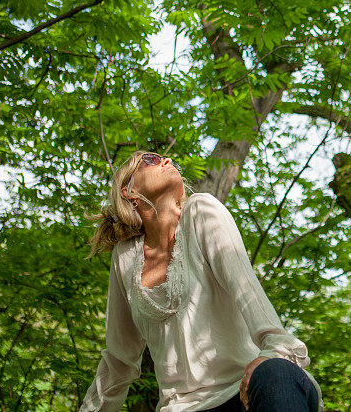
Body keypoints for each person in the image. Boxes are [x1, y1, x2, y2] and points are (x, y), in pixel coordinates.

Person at [79, 150, 322, 412]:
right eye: (150, 159)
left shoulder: (201, 211)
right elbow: (119, 359)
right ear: (128, 191)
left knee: (276, 371)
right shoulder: (125, 257)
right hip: (180, 407)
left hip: (248, 393)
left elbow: (249, 291)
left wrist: (275, 351)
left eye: (168, 158)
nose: (167, 160)